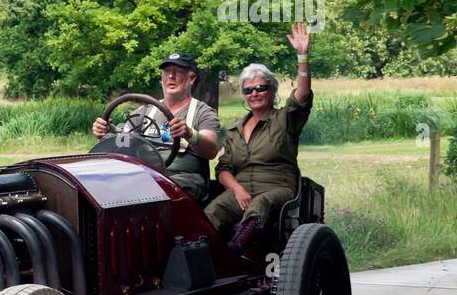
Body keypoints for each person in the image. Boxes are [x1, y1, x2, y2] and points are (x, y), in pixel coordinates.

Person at [205, 24, 314, 251]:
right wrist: (236, 189)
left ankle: (238, 248)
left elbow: (302, 94)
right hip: (241, 190)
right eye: (248, 90)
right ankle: (207, 257)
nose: (254, 93)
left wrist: (302, 56)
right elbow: (223, 169)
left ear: (272, 91)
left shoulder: (285, 119)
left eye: (261, 87)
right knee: (212, 212)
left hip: (278, 188)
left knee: (259, 203)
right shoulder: (235, 130)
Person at [91, 52, 221, 202]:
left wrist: (189, 133)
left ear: (191, 78)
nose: (171, 76)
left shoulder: (203, 112)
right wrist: (108, 131)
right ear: (162, 77)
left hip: (183, 179)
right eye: (167, 72)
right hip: (146, 174)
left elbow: (211, 150)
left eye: (178, 72)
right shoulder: (146, 110)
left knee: (153, 191)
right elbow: (124, 140)